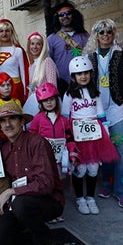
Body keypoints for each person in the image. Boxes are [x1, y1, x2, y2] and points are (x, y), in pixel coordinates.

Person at [0, 102, 64, 245]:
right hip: (19, 202)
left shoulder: (37, 142)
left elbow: (46, 184)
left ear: (22, 121)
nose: (7, 124)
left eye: (12, 118)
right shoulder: (5, 148)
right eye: (3, 120)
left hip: (48, 200)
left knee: (21, 204)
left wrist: (11, 191)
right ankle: (25, 225)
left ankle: (45, 242)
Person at [84, 19, 123, 209]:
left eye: (108, 31)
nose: (105, 35)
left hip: (118, 109)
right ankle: (108, 184)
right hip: (97, 111)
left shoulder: (122, 53)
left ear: (113, 33)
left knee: (120, 149)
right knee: (104, 149)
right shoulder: (90, 57)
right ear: (96, 35)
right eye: (101, 32)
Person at [62, 56, 119, 215]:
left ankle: (90, 197)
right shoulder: (69, 95)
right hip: (77, 135)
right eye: (79, 74)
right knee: (80, 168)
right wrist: (68, 138)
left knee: (93, 168)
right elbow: (66, 117)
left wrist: (105, 133)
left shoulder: (96, 93)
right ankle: (80, 198)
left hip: (94, 135)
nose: (83, 76)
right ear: (73, 76)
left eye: (86, 73)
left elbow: (101, 114)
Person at [28, 82, 74, 223]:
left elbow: (69, 137)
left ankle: (58, 211)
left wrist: (73, 153)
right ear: (40, 103)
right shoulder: (37, 119)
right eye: (45, 100)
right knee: (47, 185)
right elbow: (32, 136)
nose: (49, 103)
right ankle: (47, 212)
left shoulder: (64, 120)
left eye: (51, 99)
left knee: (59, 186)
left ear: (56, 99)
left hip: (60, 160)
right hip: (44, 160)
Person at [47, 1, 90, 95]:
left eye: (68, 13)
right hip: (63, 85)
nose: (65, 16)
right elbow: (49, 63)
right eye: (61, 15)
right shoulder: (51, 39)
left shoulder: (85, 36)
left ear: (74, 15)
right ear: (57, 18)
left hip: (85, 83)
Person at [0, 18, 29, 104]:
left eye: (7, 31)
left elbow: (24, 74)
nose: (4, 34)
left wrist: (25, 93)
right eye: (1, 31)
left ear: (11, 32)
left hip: (15, 88)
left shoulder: (18, 50)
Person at [23, 31, 59, 116]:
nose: (34, 47)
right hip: (33, 103)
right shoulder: (31, 66)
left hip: (46, 103)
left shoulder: (47, 61)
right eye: (32, 44)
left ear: (43, 46)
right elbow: (31, 89)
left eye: (38, 44)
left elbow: (52, 86)